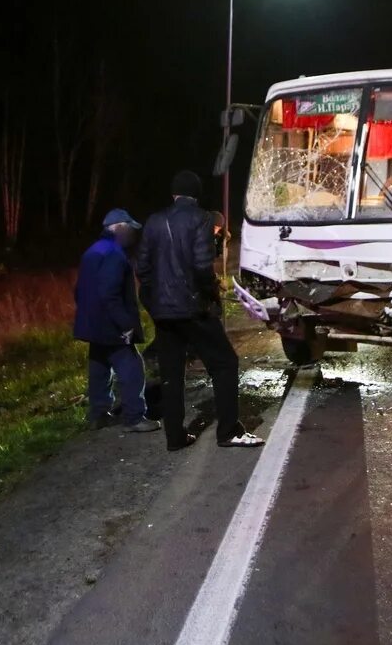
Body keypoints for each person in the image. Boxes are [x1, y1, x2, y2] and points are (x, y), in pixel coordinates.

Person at [138, 170, 264, 450]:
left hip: (163, 312)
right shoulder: (202, 219)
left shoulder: (154, 221)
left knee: (171, 374)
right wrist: (211, 296)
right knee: (225, 364)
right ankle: (228, 431)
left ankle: (175, 437)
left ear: (174, 194)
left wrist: (154, 302)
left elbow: (143, 269)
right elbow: (201, 267)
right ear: (196, 194)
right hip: (193, 309)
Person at [74, 209, 160, 432]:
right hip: (111, 325)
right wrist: (125, 323)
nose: (133, 235)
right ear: (119, 227)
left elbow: (79, 290)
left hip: (93, 325)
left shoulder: (92, 251)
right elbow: (109, 293)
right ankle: (134, 418)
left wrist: (88, 315)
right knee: (132, 367)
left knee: (99, 367)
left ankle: (98, 415)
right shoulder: (114, 254)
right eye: (130, 229)